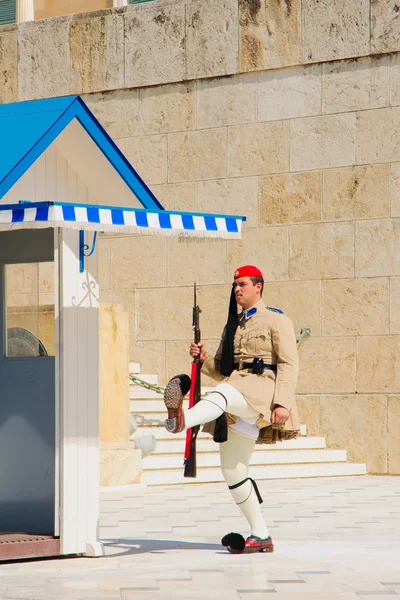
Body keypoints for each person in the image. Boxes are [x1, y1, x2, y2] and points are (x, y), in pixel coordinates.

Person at [163, 265, 300, 554]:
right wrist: (203, 359)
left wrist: (283, 402)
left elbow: (289, 363)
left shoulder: (277, 320)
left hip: (262, 390)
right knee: (232, 470)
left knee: (223, 393)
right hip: (238, 390)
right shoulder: (233, 324)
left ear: (258, 287)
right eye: (235, 285)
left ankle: (181, 421)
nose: (237, 289)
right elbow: (223, 370)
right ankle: (261, 535)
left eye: (243, 285)